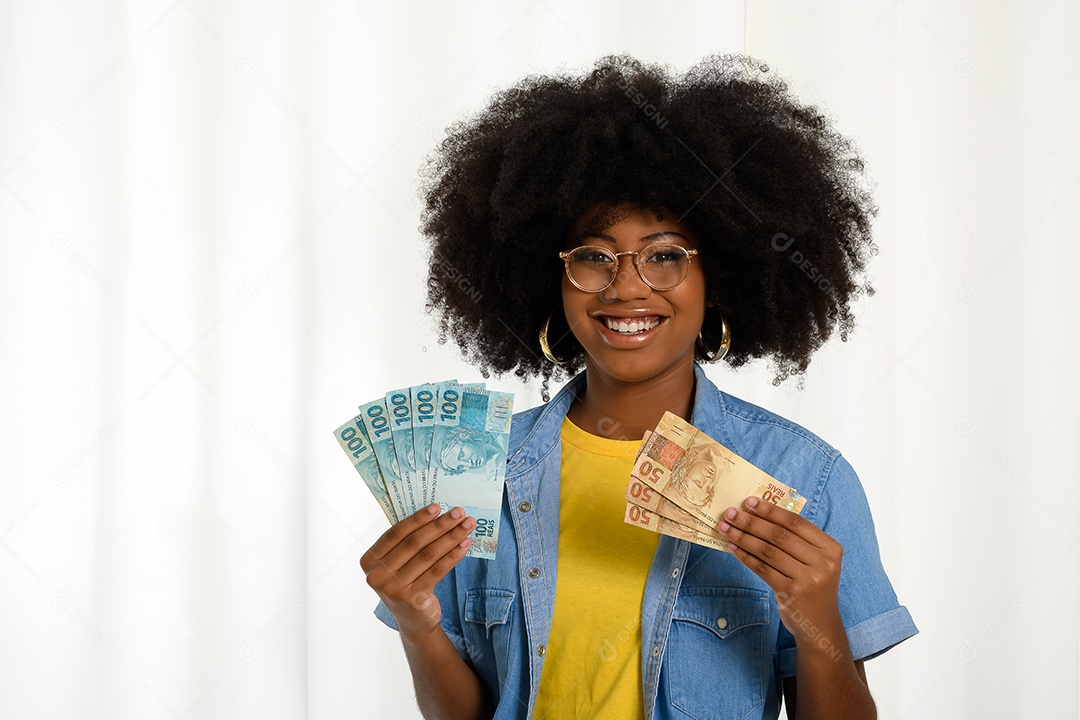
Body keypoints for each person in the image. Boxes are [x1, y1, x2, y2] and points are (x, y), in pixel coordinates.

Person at [360, 54, 917, 720]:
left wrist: (816, 620)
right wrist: (418, 623)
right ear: (550, 278)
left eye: (664, 255)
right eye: (593, 256)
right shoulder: (478, 469)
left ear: (722, 278)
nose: (626, 286)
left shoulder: (806, 478)